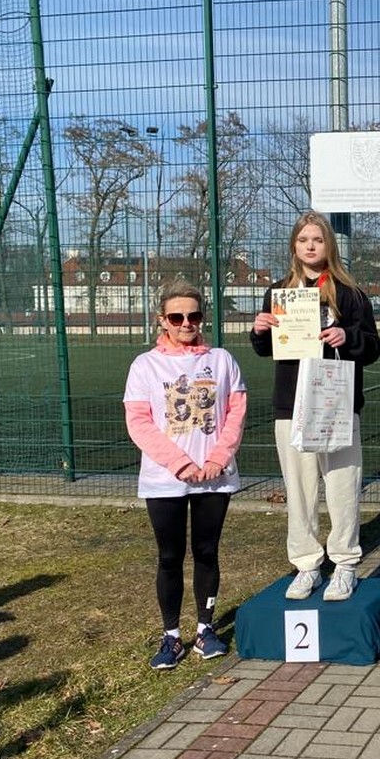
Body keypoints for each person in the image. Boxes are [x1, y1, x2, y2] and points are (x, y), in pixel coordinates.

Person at [251, 212, 380, 602]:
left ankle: (345, 564)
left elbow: (373, 347)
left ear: (329, 245)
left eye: (318, 239)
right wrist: (258, 331)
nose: (310, 246)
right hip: (291, 405)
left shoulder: (351, 293)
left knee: (342, 486)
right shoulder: (279, 292)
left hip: (336, 404)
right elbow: (266, 349)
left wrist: (348, 335)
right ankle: (307, 564)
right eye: (303, 239)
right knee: (299, 490)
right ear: (294, 245)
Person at [124, 279, 246, 670]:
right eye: (176, 317)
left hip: (214, 477)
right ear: (162, 319)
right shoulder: (145, 365)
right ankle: (172, 636)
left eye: (193, 316)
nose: (186, 323)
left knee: (207, 552)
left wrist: (217, 458)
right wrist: (181, 464)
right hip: (165, 480)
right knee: (169, 556)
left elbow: (236, 413)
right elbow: (139, 423)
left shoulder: (222, 360)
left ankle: (205, 629)